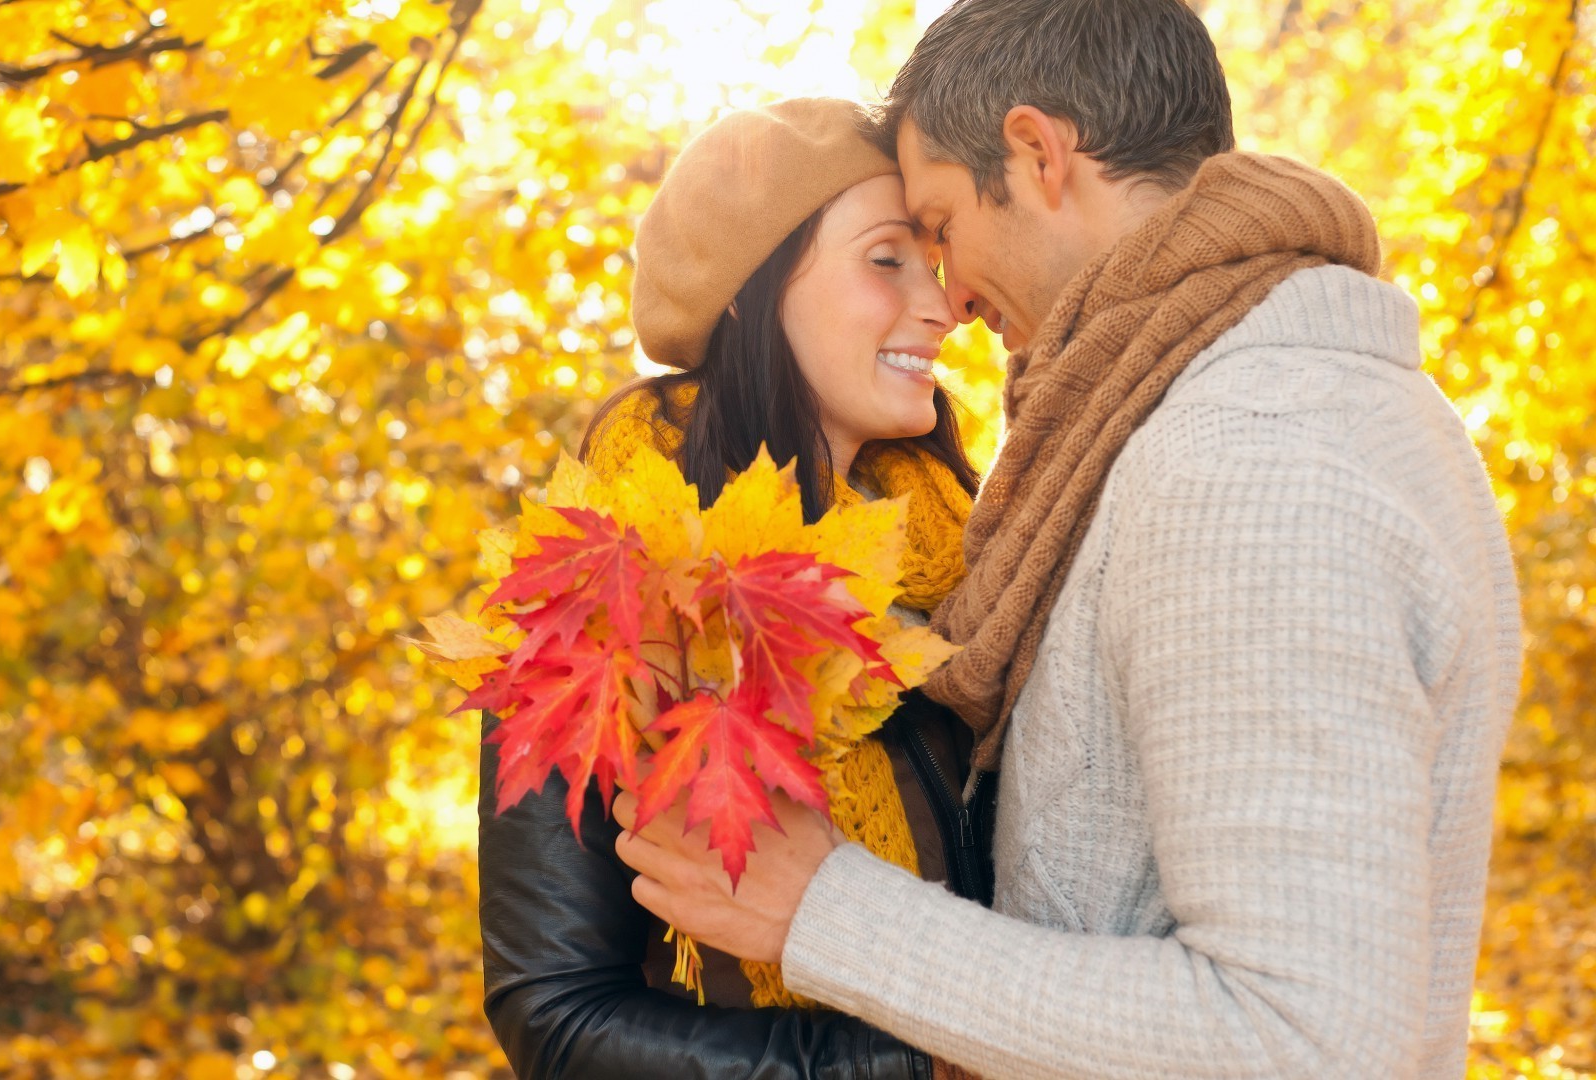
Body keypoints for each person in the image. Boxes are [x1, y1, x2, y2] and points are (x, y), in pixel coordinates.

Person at [612, 2, 1522, 1078]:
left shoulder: (1250, 463)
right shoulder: (1283, 407)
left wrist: (829, 914)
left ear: (1039, 154)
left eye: (942, 228)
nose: (949, 295)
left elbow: (1304, 1042)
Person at [478, 97, 992, 1079]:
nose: (941, 304)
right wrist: (923, 1067)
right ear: (749, 293)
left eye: (933, 261)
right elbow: (557, 1015)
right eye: (887, 259)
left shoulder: (985, 567)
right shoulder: (610, 600)